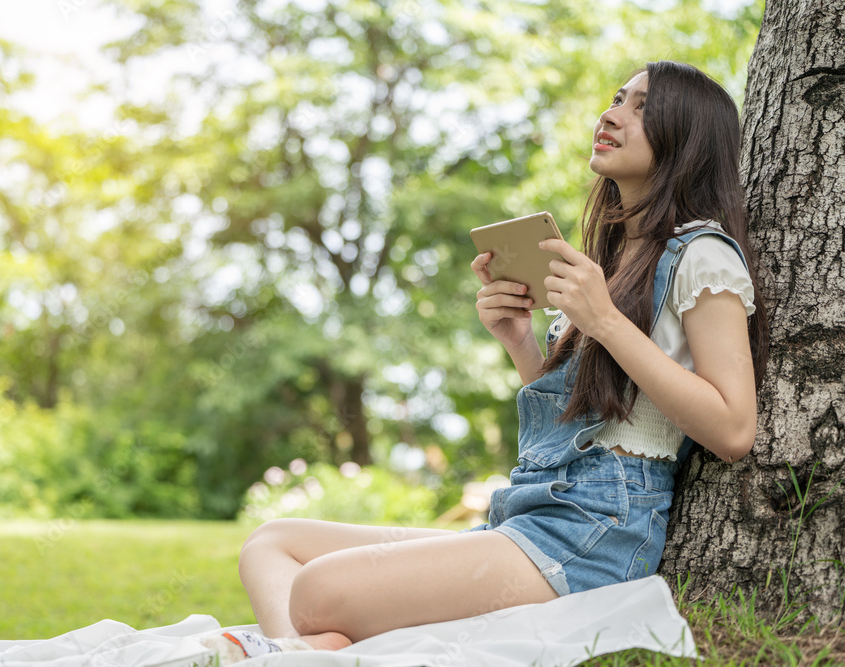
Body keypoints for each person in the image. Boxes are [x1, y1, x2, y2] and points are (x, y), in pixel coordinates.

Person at [214, 61, 769, 662]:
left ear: (687, 139)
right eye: (617, 98)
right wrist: (520, 341)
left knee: (317, 588)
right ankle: (305, 651)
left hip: (595, 533)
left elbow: (734, 429)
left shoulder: (703, 255)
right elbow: (587, 417)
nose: (611, 115)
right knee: (271, 544)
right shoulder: (608, 260)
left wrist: (604, 321)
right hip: (530, 511)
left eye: (642, 107)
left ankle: (298, 647)